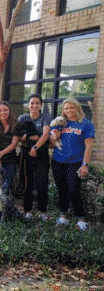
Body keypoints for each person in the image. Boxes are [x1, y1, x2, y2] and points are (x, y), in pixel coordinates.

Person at [50, 98, 95, 230]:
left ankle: (80, 219)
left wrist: (85, 164)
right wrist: (55, 137)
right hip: (58, 161)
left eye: (72, 107)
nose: (69, 110)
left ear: (77, 108)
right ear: (63, 110)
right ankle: (63, 216)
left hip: (75, 163)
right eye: (66, 108)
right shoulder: (61, 123)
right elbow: (52, 144)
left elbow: (89, 146)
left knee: (74, 190)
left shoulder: (86, 124)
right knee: (61, 189)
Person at [18, 93, 51, 220]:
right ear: (28, 105)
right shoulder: (22, 118)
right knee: (27, 183)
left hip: (41, 153)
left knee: (42, 183)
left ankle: (42, 212)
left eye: (37, 103)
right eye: (32, 103)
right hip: (26, 154)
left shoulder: (45, 117)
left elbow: (45, 135)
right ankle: (27, 211)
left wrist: (35, 147)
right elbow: (18, 137)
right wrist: (28, 137)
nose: (34, 105)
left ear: (41, 105)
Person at [0, 101, 22, 188]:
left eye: (5, 110)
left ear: (9, 111)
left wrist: (0, 154)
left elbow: (13, 144)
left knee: (6, 187)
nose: (3, 112)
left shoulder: (16, 124)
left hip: (9, 160)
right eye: (0, 110)